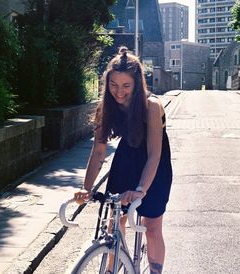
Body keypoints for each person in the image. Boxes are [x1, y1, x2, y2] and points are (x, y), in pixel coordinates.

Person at [74, 46, 173, 274]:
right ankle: (111, 268)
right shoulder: (106, 107)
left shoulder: (152, 106)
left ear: (137, 84)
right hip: (126, 161)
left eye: (126, 86)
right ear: (107, 84)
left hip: (154, 167)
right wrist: (85, 188)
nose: (119, 92)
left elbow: (154, 154)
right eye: (114, 85)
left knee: (152, 227)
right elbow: (99, 151)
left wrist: (140, 190)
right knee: (114, 221)